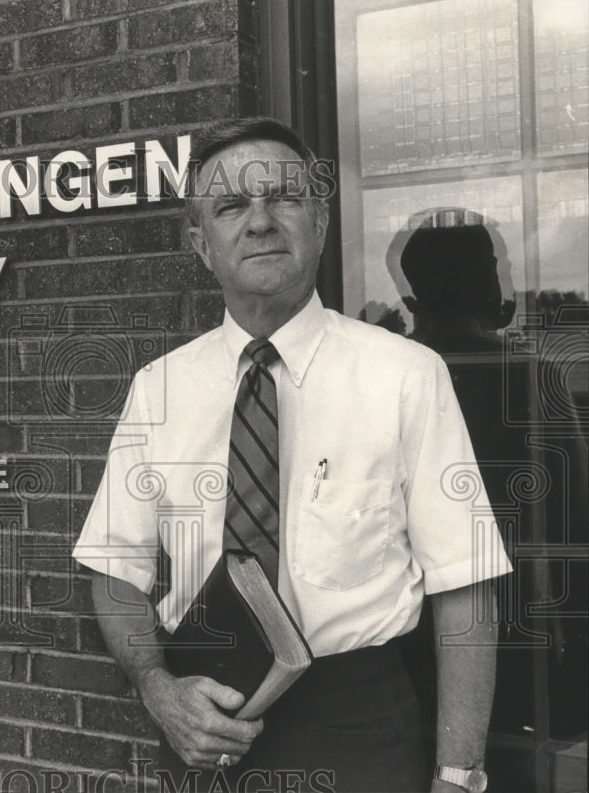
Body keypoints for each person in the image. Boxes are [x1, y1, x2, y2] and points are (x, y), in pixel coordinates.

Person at [72, 118, 512, 793]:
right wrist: (158, 688)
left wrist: (459, 776)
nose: (259, 222)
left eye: (282, 197)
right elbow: (114, 570)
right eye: (230, 206)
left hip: (358, 725)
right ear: (200, 243)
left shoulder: (407, 374)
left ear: (321, 220)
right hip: (202, 725)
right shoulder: (158, 388)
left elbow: (466, 583)